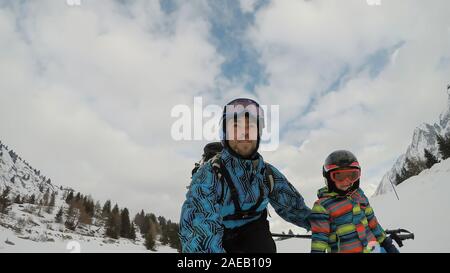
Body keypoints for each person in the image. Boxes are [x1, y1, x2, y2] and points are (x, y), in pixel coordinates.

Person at [179, 98, 311, 253]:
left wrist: (330, 224)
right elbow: (200, 231)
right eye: (236, 127)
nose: (244, 132)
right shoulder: (209, 175)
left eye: (252, 127)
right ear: (225, 134)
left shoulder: (267, 174)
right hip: (219, 236)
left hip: (254, 235)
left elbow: (297, 209)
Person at [310, 150, 399, 253]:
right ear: (328, 178)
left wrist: (387, 244)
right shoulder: (322, 206)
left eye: (352, 175)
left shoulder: (360, 196)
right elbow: (319, 241)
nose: (347, 181)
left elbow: (373, 224)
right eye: (340, 176)